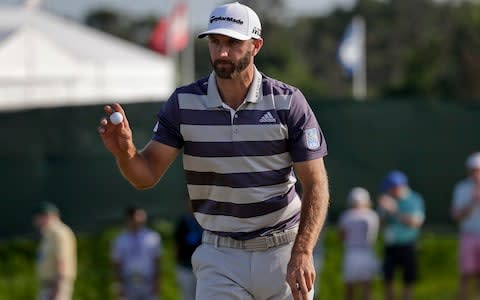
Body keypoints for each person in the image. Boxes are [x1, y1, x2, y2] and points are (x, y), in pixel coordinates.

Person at [98, 2, 330, 299]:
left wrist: (302, 251)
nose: (221, 52)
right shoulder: (183, 103)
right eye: (216, 42)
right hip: (220, 256)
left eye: (233, 43)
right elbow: (146, 175)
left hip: (283, 253)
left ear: (256, 45)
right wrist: (125, 152)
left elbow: (316, 184)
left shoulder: (288, 102)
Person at [377, 171, 425, 300]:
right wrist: (384, 212)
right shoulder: (387, 200)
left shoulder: (414, 199)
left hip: (408, 244)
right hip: (390, 245)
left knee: (408, 280)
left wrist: (394, 210)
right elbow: (381, 225)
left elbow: (415, 223)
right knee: (387, 279)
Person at [111, 205, 162, 300]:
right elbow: (116, 263)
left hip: (148, 282)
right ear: (130, 218)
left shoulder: (153, 237)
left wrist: (157, 281)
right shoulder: (120, 240)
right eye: (138, 215)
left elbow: (157, 261)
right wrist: (117, 284)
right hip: (128, 283)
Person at [338, 187, 379, 300]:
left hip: (351, 254)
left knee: (349, 289)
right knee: (367, 288)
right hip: (367, 254)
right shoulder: (372, 216)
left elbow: (342, 237)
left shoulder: (346, 216)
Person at [451, 152, 480, 300]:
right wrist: (473, 201)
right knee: (466, 274)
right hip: (468, 234)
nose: (476, 173)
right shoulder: (461, 188)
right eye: (474, 170)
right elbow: (456, 215)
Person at [33, 202, 77, 300]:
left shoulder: (59, 233)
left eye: (38, 217)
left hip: (56, 284)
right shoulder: (48, 234)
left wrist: (57, 288)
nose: (36, 221)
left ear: (47, 216)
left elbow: (62, 260)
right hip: (48, 285)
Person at [174, 209, 203, 300]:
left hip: (203, 268)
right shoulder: (183, 222)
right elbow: (176, 245)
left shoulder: (206, 222)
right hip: (185, 267)